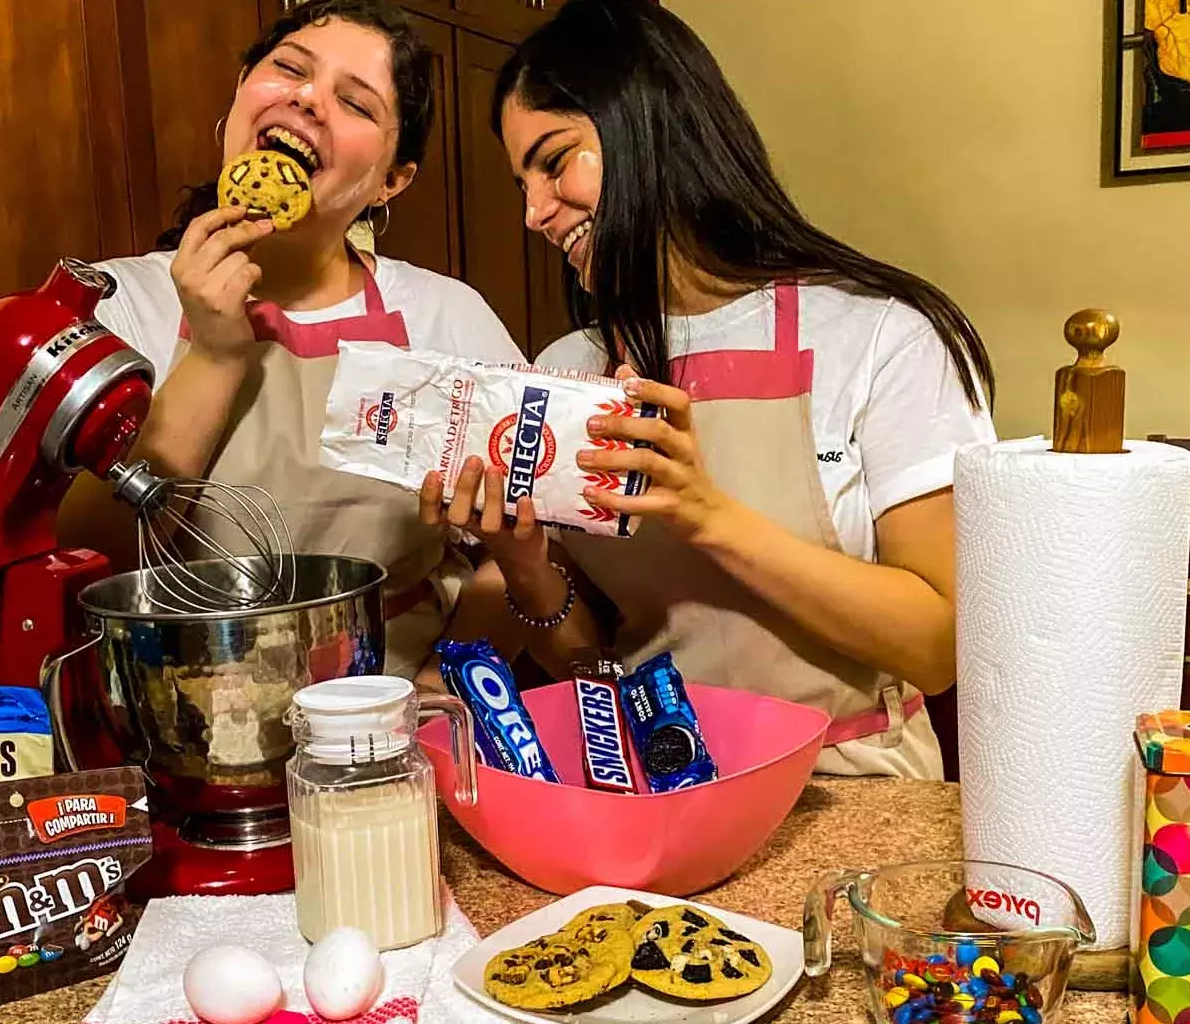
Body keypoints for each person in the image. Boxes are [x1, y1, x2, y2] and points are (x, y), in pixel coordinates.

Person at [421, 0, 997, 779]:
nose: (534, 213)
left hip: (851, 785)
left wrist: (708, 517)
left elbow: (935, 649)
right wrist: (523, 561)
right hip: (657, 786)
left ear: (649, 123)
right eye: (522, 182)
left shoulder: (881, 334)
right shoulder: (570, 366)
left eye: (555, 161)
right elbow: (588, 665)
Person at [64, 0, 523, 678]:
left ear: (391, 181)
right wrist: (215, 355)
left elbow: (521, 558)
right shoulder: (115, 306)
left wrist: (446, 682)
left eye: (356, 104)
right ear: (242, 91)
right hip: (180, 708)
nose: (309, 100)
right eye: (290, 69)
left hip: (391, 708)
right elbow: (89, 560)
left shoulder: (445, 319)